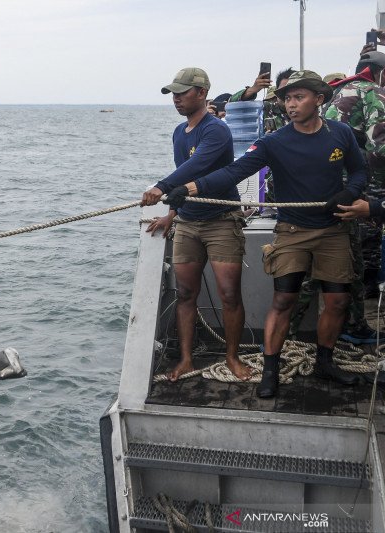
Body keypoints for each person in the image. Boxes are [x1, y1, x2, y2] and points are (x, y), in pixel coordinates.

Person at [159, 70, 367, 398]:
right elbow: (233, 170)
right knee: (284, 299)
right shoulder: (274, 142)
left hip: (333, 230)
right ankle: (271, 368)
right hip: (292, 230)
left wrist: (349, 192)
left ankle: (325, 362)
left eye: (298, 97)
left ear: (319, 99)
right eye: (286, 98)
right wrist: (188, 188)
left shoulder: (340, 134)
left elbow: (359, 171)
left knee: (338, 300)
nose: (290, 104)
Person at [140, 67, 252, 382]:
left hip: (220, 221)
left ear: (201, 93)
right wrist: (171, 213)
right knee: (186, 292)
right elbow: (185, 178)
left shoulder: (217, 130)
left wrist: (160, 187)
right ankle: (186, 359)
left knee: (229, 293)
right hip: (188, 222)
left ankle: (232, 357)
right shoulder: (179, 132)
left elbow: (199, 164)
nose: (176, 98)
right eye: (173, 93)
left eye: (182, 92)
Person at [322, 51, 385, 343]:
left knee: (340, 252)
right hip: (359, 185)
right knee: (357, 255)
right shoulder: (372, 94)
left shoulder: (339, 91)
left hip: (330, 183)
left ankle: (323, 327)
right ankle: (353, 325)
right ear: (378, 72)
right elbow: (380, 146)